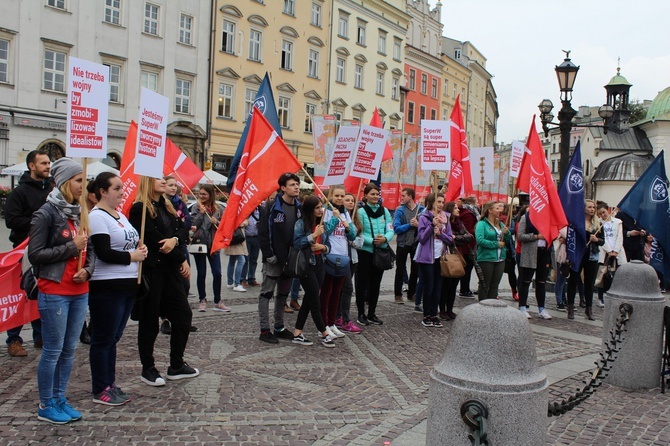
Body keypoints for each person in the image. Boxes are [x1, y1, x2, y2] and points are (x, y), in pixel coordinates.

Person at [28, 157, 94, 424]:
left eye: (84, 180)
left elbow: (90, 250)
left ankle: (59, 398)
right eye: (79, 180)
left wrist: (87, 270)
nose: (83, 185)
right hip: (54, 290)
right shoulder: (45, 213)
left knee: (69, 350)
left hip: (80, 290)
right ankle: (46, 403)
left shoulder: (80, 211)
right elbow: (35, 254)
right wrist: (71, 247)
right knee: (53, 350)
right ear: (65, 181)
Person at [129, 176, 199, 386]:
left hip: (170, 272)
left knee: (183, 316)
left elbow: (183, 227)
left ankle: (176, 364)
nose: (162, 181)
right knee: (149, 322)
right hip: (153, 271)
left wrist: (176, 241)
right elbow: (155, 239)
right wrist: (180, 257)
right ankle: (148, 368)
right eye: (157, 178)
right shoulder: (140, 208)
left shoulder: (167, 205)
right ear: (147, 183)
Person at [88, 172, 147, 406]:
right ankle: (100, 387)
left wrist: (140, 250)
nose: (122, 191)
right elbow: (104, 252)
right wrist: (131, 256)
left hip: (127, 285)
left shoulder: (120, 215)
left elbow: (131, 242)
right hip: (107, 286)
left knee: (114, 338)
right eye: (117, 188)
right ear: (103, 191)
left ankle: (109, 383)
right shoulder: (97, 217)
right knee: (103, 339)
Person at [4, 149, 51, 357]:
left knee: (40, 293)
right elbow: (11, 220)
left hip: (46, 250)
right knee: (22, 294)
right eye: (43, 163)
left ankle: (40, 335)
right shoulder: (20, 192)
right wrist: (38, 223)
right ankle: (14, 338)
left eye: (49, 163)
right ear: (32, 166)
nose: (48, 166)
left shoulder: (51, 190)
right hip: (23, 251)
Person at [257, 173, 302, 344]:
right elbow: (263, 233)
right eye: (292, 184)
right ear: (283, 188)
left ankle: (279, 327)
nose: (296, 187)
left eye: (297, 184)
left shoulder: (299, 208)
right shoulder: (271, 206)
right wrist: (269, 255)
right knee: (266, 294)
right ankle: (264, 329)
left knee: (283, 294)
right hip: (273, 260)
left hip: (290, 261)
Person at [290, 195, 336, 348]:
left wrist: (323, 247)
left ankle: (297, 332)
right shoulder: (301, 224)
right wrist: (313, 236)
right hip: (306, 265)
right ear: (310, 209)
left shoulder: (322, 224)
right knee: (315, 300)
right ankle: (324, 333)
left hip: (320, 265)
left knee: (309, 300)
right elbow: (296, 244)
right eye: (317, 207)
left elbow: (328, 245)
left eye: (321, 207)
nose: (320, 210)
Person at [320, 185, 357, 338]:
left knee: (337, 292)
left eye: (342, 196)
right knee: (326, 293)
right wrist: (335, 219)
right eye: (337, 196)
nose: (340, 199)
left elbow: (353, 236)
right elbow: (324, 232)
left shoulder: (346, 214)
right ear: (331, 196)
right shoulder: (325, 211)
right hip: (329, 256)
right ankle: (323, 325)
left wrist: (349, 228)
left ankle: (332, 323)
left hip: (343, 258)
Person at [355, 183, 395, 326]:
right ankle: (361, 313)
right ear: (365, 196)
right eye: (372, 194)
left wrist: (385, 238)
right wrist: (372, 241)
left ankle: (372, 313)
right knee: (362, 284)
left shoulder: (384, 211)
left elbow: (390, 229)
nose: (375, 196)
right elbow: (358, 232)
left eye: (377, 194)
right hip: (366, 252)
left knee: (375, 284)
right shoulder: (360, 212)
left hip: (380, 252)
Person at [415, 193, 453, 327]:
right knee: (429, 286)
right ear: (431, 202)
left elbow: (449, 239)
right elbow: (421, 238)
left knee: (438, 287)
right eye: (438, 201)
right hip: (427, 257)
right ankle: (427, 314)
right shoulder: (424, 217)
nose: (441, 204)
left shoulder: (446, 218)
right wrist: (432, 225)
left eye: (443, 202)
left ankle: (434, 313)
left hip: (441, 257)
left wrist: (440, 234)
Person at [161, 176, 193, 334]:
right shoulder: (161, 203)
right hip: (167, 248)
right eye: (170, 185)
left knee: (185, 283)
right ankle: (166, 319)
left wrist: (180, 228)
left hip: (180, 246)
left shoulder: (180, 203)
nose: (173, 188)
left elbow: (187, 222)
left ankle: (180, 316)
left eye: (175, 185)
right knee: (169, 285)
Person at [190, 184, 229, 311]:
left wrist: (216, 222)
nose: (202, 196)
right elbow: (193, 224)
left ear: (210, 195)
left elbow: (223, 224)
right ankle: (202, 299)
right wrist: (201, 214)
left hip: (214, 244)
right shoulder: (196, 207)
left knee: (217, 273)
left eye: (204, 194)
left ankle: (218, 301)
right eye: (200, 194)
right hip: (200, 243)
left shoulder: (218, 209)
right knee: (201, 273)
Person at [566, 200, 604, 320]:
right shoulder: (577, 222)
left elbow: (603, 241)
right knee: (573, 280)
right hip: (578, 254)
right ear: (583, 209)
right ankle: (570, 307)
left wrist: (596, 240)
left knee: (589, 283)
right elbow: (570, 237)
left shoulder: (597, 224)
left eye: (593, 207)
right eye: (589, 207)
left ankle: (589, 308)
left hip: (592, 255)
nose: (592, 209)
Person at [335, 192, 364, 333]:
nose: (350, 202)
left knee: (344, 289)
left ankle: (339, 316)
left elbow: (360, 241)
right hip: (339, 258)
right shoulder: (337, 217)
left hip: (352, 258)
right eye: (347, 200)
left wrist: (351, 239)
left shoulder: (355, 221)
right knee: (345, 288)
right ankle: (342, 318)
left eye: (352, 200)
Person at [517, 212, 553, 320]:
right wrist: (536, 236)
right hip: (530, 253)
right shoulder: (526, 217)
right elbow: (520, 236)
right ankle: (522, 306)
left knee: (541, 282)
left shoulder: (548, 217)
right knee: (526, 281)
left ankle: (541, 308)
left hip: (544, 252)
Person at [440, 202, 472, 320]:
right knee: (445, 285)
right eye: (455, 208)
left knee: (453, 286)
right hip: (447, 255)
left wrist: (456, 237)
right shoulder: (445, 222)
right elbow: (446, 238)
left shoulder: (459, 223)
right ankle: (442, 309)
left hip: (458, 256)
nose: (458, 210)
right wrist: (453, 238)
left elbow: (469, 236)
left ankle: (450, 309)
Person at [474, 202, 511, 301]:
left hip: (500, 259)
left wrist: (507, 234)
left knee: (495, 285)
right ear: (490, 210)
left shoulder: (500, 224)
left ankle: (492, 305)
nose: (500, 210)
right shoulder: (481, 224)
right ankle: (483, 306)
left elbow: (507, 240)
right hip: (486, 258)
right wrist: (496, 244)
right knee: (485, 284)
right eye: (497, 208)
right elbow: (480, 240)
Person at [393, 188, 423, 304]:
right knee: (400, 269)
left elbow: (425, 227)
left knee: (415, 270)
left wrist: (418, 224)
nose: (402, 198)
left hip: (416, 243)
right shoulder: (400, 210)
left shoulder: (421, 210)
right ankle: (398, 294)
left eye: (404, 195)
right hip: (403, 243)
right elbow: (396, 228)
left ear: (410, 196)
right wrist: (409, 225)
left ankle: (411, 293)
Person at [596, 202, 627, 307]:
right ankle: (601, 297)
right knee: (602, 274)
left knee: (618, 274)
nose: (603, 215)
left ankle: (615, 296)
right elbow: (602, 239)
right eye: (600, 214)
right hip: (605, 252)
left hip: (617, 251)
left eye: (604, 212)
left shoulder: (618, 222)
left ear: (608, 210)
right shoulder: (599, 223)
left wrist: (616, 251)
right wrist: (609, 251)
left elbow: (620, 237)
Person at [458, 196, 479, 298]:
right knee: (467, 268)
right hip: (468, 245)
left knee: (466, 268)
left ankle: (465, 288)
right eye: (476, 201)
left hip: (465, 244)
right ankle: (464, 289)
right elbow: (467, 229)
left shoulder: (465, 212)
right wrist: (477, 230)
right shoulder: (469, 214)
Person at [241, 204, 262, 287]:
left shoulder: (260, 210)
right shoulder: (245, 210)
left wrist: (260, 224)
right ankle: (242, 279)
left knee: (254, 259)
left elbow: (264, 220)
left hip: (256, 237)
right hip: (246, 238)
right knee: (245, 260)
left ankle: (251, 278)